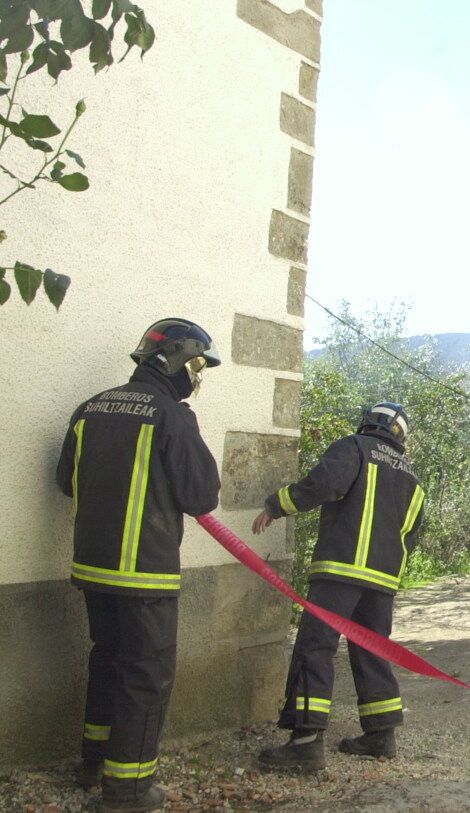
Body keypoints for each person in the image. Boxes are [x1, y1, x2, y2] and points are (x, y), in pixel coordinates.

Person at [55, 318, 222, 812]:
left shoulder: (90, 408)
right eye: (198, 365)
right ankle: (126, 789)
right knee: (145, 676)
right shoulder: (172, 416)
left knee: (107, 662)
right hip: (145, 574)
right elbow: (201, 495)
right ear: (176, 359)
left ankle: (94, 763)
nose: (198, 377)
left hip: (93, 570)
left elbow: (67, 481)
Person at [252, 402, 426, 771]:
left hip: (339, 571)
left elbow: (326, 485)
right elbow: (409, 535)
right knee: (372, 651)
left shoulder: (353, 447)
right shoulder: (413, 478)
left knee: (315, 649)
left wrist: (277, 504)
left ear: (368, 422)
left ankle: (305, 743)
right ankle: (380, 734)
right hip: (381, 581)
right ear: (401, 437)